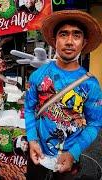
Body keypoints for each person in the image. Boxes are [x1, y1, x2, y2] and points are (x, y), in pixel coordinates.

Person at [25, 10, 102, 179]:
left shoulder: (91, 84)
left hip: (70, 162)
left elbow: (95, 123)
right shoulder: (37, 76)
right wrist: (32, 140)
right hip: (38, 156)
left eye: (76, 35)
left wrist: (73, 153)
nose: (69, 41)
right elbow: (29, 109)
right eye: (63, 34)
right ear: (54, 41)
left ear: (84, 42)